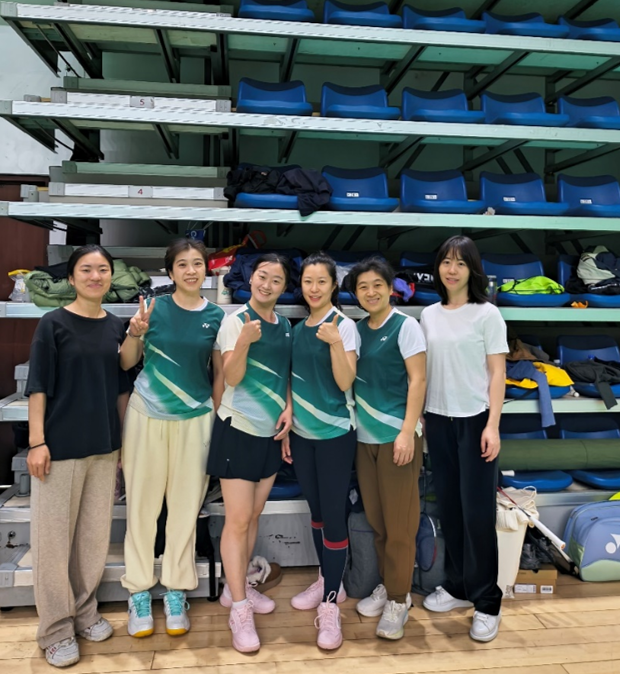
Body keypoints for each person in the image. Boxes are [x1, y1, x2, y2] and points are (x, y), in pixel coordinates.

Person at [26, 244, 130, 668]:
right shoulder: (53, 324)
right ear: (71, 278)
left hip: (103, 449)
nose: (95, 276)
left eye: (102, 269)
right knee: (52, 544)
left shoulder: (116, 326)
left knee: (92, 539)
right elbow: (38, 386)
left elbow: (122, 388)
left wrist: (121, 444)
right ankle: (54, 629)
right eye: (86, 270)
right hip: (60, 450)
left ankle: (84, 613)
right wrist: (37, 442)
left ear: (110, 277)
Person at [119, 239, 225, 639]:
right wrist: (134, 333)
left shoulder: (216, 315)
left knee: (185, 508)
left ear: (206, 270)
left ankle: (176, 590)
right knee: (142, 508)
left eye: (197, 263)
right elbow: (127, 362)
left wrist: (215, 419)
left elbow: (219, 375)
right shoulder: (152, 308)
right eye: (182, 264)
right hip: (146, 415)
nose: (191, 270)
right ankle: (139, 591)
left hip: (195, 420)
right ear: (170, 272)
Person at [420, 235, 507, 643]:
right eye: (445, 261)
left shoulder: (487, 314)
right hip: (438, 420)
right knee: (451, 510)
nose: (451, 269)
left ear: (473, 270)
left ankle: (487, 602)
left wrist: (493, 425)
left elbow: (497, 373)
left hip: (475, 422)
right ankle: (457, 586)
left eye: (460, 262)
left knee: (477, 515)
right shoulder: (428, 315)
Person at [207, 253, 293, 654]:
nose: (267, 285)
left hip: (270, 433)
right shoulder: (235, 321)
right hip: (238, 430)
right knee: (238, 520)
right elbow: (233, 376)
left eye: (276, 280)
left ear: (283, 287)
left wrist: (288, 407)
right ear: (251, 278)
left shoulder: (286, 326)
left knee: (254, 516)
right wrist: (243, 341)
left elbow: (285, 375)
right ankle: (239, 609)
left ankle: (235, 588)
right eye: (262, 276)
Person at [348, 257, 426, 640]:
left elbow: (418, 380)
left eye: (377, 284)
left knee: (400, 526)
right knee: (378, 523)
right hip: (365, 439)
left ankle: (399, 598)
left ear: (390, 288)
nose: (371, 292)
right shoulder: (356, 330)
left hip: (398, 437)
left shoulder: (406, 326)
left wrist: (407, 432)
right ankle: (389, 583)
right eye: (363, 286)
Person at [285, 252, 360, 651]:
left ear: (333, 286)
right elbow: (292, 381)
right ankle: (328, 579)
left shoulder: (343, 326)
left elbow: (346, 381)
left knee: (333, 518)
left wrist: (334, 343)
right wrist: (288, 424)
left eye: (321, 281)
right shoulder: (298, 329)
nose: (313, 289)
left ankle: (331, 604)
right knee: (315, 513)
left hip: (334, 435)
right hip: (302, 435)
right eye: (308, 281)